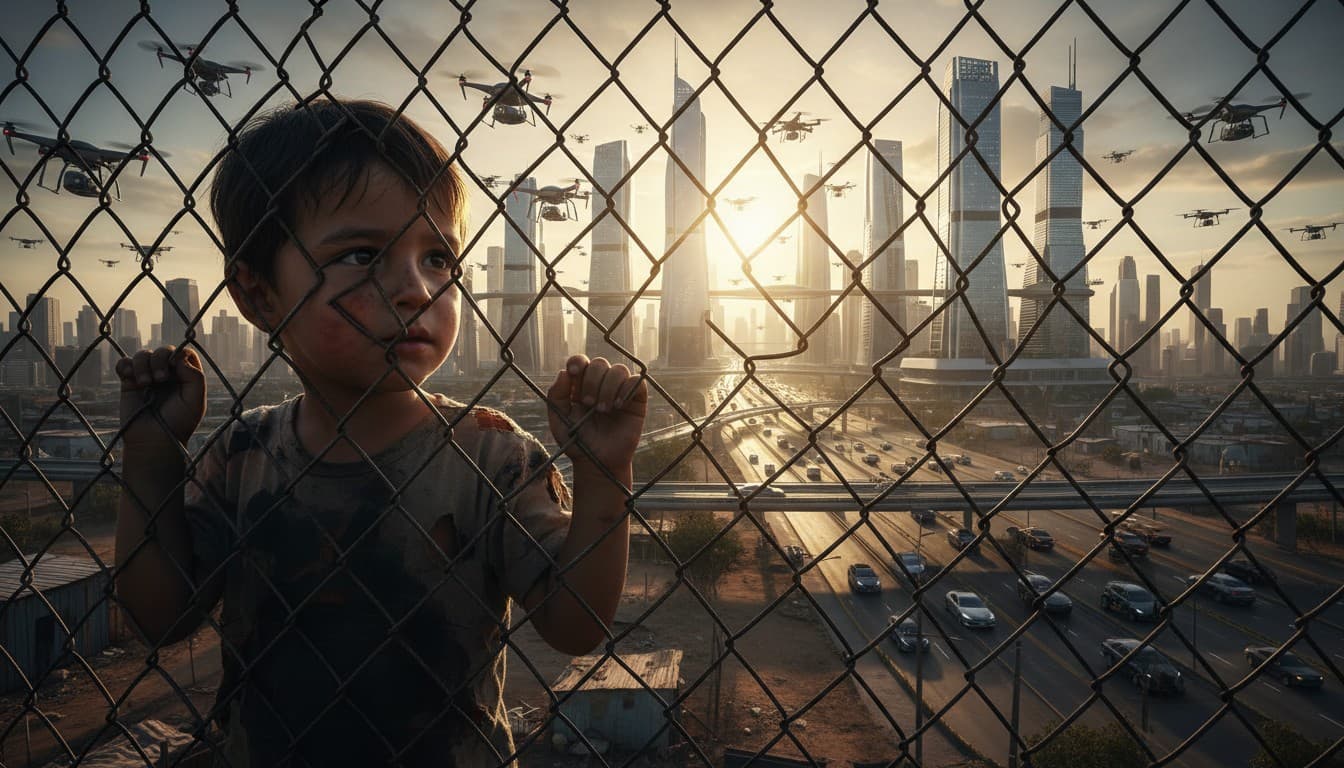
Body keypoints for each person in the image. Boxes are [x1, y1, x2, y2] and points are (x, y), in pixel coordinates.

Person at [113, 99, 646, 767]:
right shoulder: (244, 454)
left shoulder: (491, 452)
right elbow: (159, 617)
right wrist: (153, 454)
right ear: (258, 295)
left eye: (439, 259)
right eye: (363, 254)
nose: (415, 289)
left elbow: (575, 627)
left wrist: (605, 474)